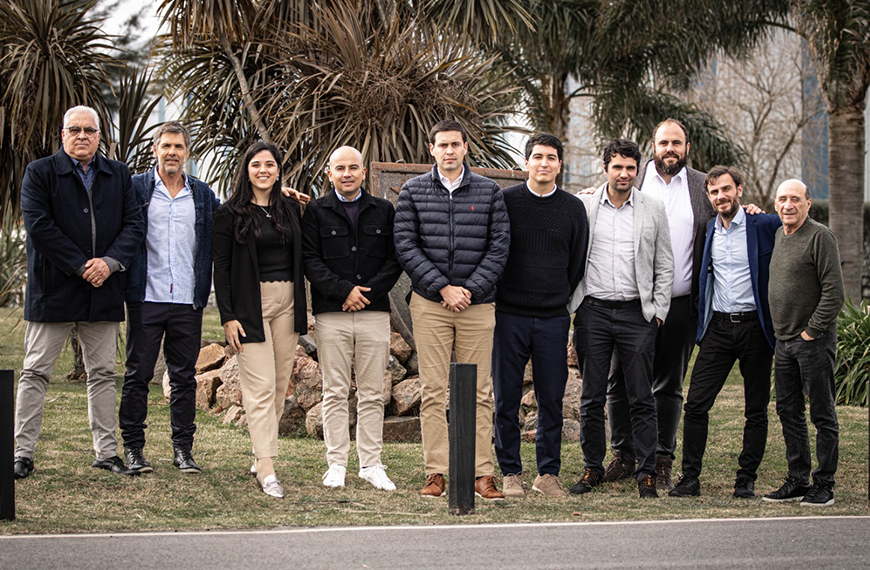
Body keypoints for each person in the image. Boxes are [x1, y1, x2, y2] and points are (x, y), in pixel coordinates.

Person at [14, 105, 144, 479]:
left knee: (102, 373)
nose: (82, 136)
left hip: (103, 290)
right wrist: (82, 265)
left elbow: (134, 225)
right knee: (35, 372)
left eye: (89, 130)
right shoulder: (39, 172)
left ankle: (106, 452)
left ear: (100, 136)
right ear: (63, 134)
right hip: (53, 290)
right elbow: (39, 226)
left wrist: (110, 263)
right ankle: (22, 453)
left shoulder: (118, 174)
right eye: (75, 129)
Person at [394, 119, 510, 499]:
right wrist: (443, 288)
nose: (449, 151)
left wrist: (468, 291)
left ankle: (482, 474)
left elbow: (499, 247)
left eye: (455, 144)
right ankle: (437, 472)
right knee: (433, 390)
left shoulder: (489, 192)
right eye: (442, 145)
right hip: (431, 304)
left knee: (480, 391)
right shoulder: (413, 191)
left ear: (465, 148)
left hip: (478, 305)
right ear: (432, 149)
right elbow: (406, 245)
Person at [603, 118, 714, 490]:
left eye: (676, 143)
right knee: (619, 381)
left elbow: (726, 210)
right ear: (653, 146)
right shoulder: (633, 178)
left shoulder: (702, 186)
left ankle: (662, 458)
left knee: (668, 385)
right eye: (664, 142)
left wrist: (749, 210)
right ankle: (624, 455)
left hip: (680, 304)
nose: (670, 149)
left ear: (686, 147)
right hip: (631, 302)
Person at [568, 139, 673, 499]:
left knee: (641, 397)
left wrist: (657, 313)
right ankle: (592, 468)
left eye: (630, 168)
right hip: (593, 312)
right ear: (605, 168)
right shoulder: (584, 205)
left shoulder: (652, 208)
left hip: (636, 314)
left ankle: (646, 473)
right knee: (591, 398)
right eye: (618, 167)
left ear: (637, 170)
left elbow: (665, 263)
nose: (624, 174)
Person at [669, 166, 780, 498]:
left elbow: (796, 231)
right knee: (696, 405)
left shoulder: (764, 224)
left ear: (739, 190)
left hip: (755, 328)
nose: (721, 196)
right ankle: (690, 478)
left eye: (726, 189)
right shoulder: (708, 230)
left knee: (755, 409)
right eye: (715, 192)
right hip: (718, 328)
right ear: (708, 196)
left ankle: (746, 478)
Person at [119, 121, 220, 474]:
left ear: (187, 152)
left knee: (183, 378)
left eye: (178, 146)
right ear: (155, 150)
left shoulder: (202, 194)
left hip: (188, 301)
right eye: (166, 146)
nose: (172, 152)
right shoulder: (136, 188)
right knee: (138, 375)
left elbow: (234, 215)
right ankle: (133, 448)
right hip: (146, 296)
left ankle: (183, 450)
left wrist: (277, 194)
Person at [492, 133, 588, 498]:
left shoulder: (573, 208)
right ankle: (511, 473)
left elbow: (576, 263)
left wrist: (556, 296)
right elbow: (496, 251)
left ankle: (547, 474)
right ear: (526, 162)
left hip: (552, 318)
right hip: (509, 315)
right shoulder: (506, 202)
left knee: (551, 398)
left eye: (551, 157)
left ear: (560, 165)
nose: (544, 163)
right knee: (506, 397)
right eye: (537, 157)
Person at [301, 146, 402, 490]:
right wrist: (345, 291)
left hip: (373, 313)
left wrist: (365, 294)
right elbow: (311, 260)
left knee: (373, 393)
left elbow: (394, 259)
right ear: (329, 173)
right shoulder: (316, 211)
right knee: (335, 392)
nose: (347, 174)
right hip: (333, 314)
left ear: (363, 173)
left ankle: (371, 464)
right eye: (340, 168)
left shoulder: (384, 210)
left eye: (353, 168)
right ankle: (337, 465)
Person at [212, 141, 307, 498]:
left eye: (270, 164)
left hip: (288, 303)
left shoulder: (290, 209)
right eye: (256, 165)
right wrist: (228, 317)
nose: (263, 170)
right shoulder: (229, 214)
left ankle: (260, 454)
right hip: (251, 306)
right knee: (261, 386)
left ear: (279, 170)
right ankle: (266, 466)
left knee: (280, 384)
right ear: (246, 170)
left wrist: (291, 196)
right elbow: (221, 268)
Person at [763, 179, 844, 507]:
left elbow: (834, 293)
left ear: (808, 203)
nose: (788, 205)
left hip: (813, 341)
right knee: (789, 411)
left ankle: (824, 484)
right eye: (782, 199)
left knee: (822, 413)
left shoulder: (820, 236)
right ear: (775, 204)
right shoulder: (779, 235)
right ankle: (798, 479)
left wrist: (812, 331)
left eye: (795, 199)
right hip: (784, 342)